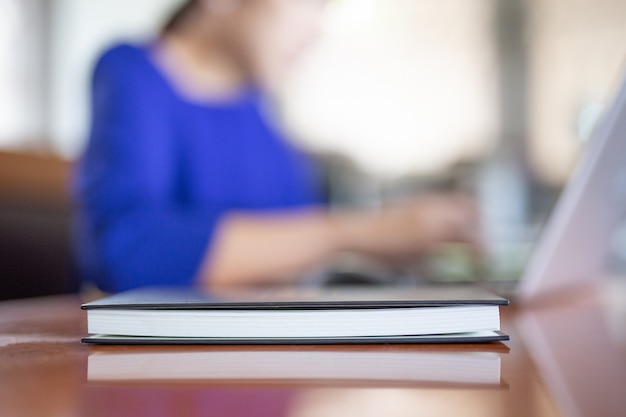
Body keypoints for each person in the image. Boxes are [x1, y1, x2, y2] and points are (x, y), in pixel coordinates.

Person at [75, 0, 479, 293]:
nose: (315, 29)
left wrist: (389, 246)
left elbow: (296, 246)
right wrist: (359, 233)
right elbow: (129, 253)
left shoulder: (259, 114)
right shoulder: (132, 73)